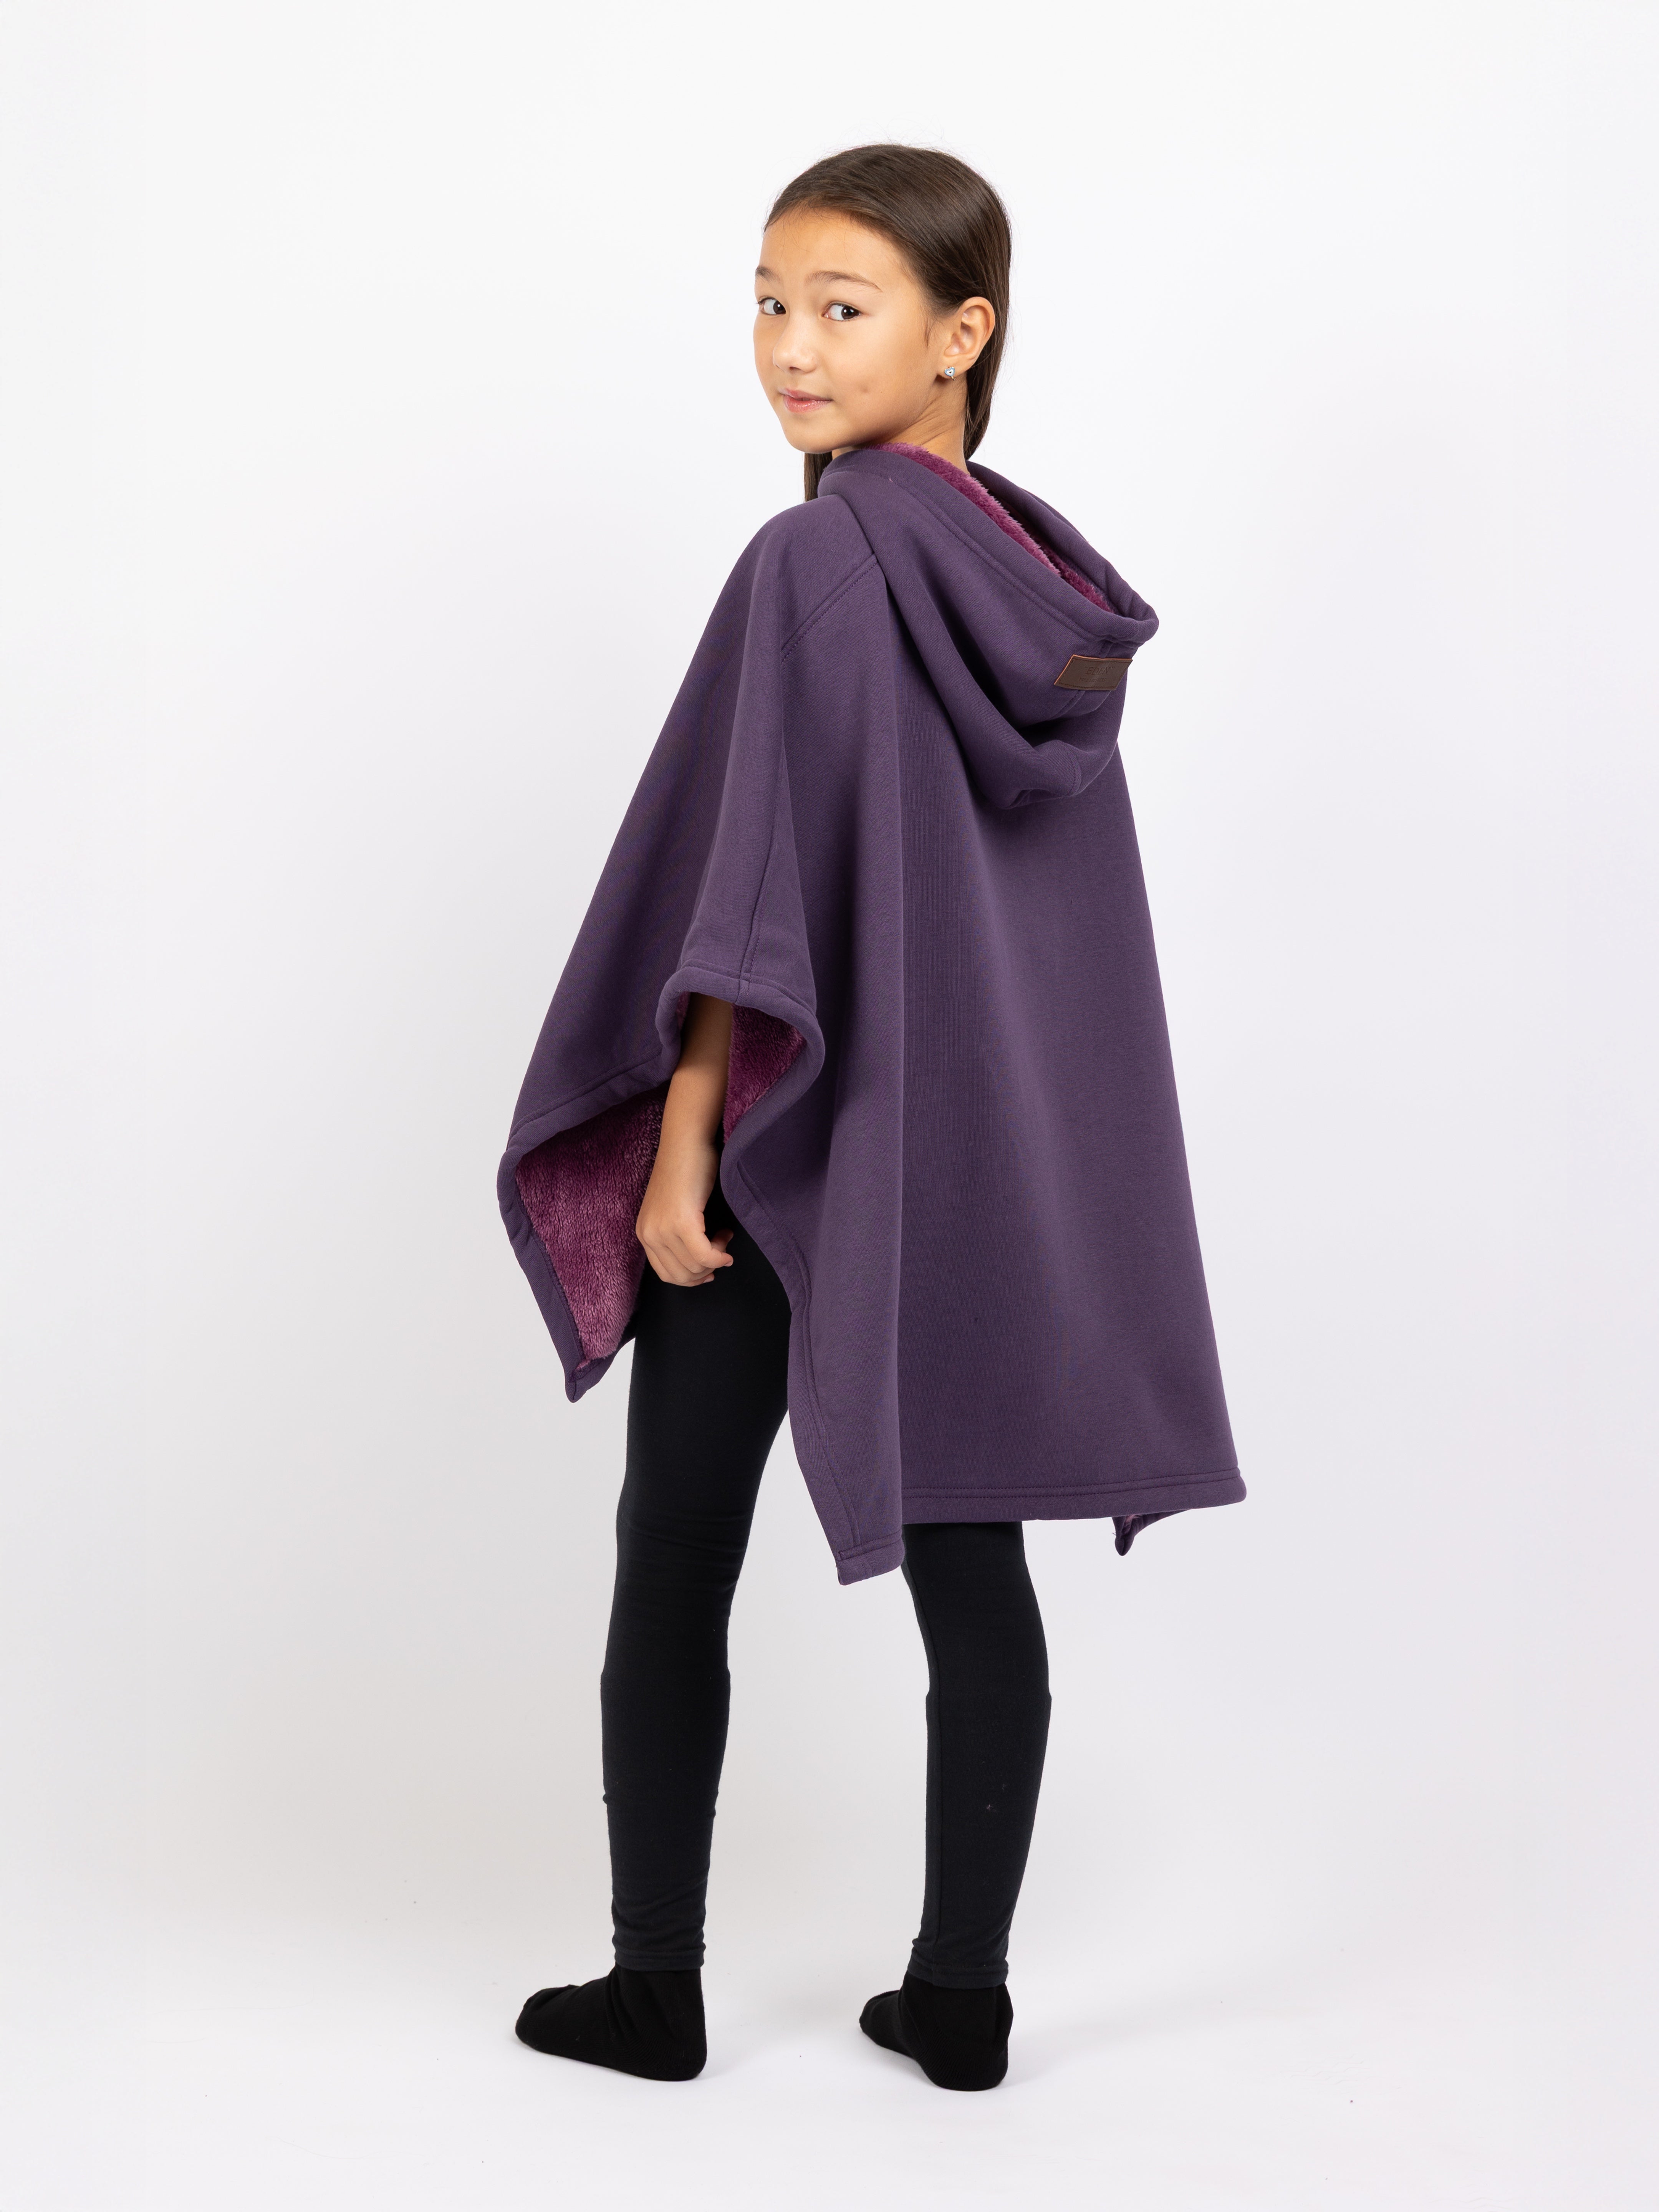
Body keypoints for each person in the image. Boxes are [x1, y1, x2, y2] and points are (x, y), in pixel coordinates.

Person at [497, 144, 1242, 2091]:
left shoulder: (815, 561)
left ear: (962, 331)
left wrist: (681, 1147)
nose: (791, 348)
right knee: (973, 1564)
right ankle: (962, 2001)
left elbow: (747, 899)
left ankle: (654, 1990)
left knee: (678, 1549)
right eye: (768, 302)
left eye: (844, 307)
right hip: (962, 1166)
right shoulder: (1044, 603)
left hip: (784, 1151)